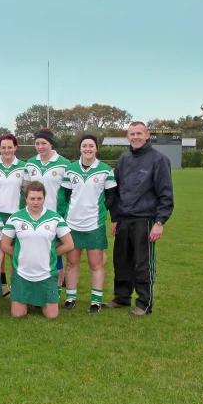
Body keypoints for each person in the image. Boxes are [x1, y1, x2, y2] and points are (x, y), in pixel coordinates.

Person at [104, 122, 174, 316]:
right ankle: (121, 297)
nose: (135, 137)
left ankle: (144, 303)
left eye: (139, 133)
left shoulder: (159, 160)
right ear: (127, 137)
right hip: (124, 219)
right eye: (131, 134)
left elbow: (166, 193)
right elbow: (116, 190)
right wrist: (116, 218)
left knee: (142, 263)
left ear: (147, 135)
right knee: (121, 260)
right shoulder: (124, 159)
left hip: (146, 219)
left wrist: (159, 222)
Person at [61, 134, 118, 313]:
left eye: (91, 146)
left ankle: (96, 301)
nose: (88, 149)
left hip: (94, 224)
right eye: (84, 145)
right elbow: (65, 196)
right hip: (72, 224)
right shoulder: (70, 169)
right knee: (71, 263)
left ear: (96, 148)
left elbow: (112, 196)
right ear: (80, 148)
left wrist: (101, 212)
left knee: (96, 264)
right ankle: (70, 298)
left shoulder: (105, 169)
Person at [1, 182, 74, 319]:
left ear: (44, 198)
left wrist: (51, 254)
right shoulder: (15, 218)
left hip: (46, 273)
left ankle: (38, 301)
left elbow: (69, 244)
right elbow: (5, 245)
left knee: (52, 316)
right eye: (32, 198)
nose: (36, 202)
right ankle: (29, 300)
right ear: (26, 199)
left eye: (39, 198)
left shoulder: (55, 218)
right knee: (17, 315)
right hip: (22, 273)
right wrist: (21, 255)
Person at [24, 128, 69, 287]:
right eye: (37, 143)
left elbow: (68, 193)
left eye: (44, 143)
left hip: (56, 215)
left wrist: (63, 215)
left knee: (55, 251)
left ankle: (56, 288)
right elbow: (25, 190)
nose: (40, 146)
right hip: (34, 214)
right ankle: (37, 284)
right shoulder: (30, 163)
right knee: (37, 248)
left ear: (50, 143)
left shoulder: (64, 163)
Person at [0, 133, 27, 294]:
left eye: (10, 147)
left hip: (16, 216)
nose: (7, 150)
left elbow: (27, 191)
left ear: (15, 147)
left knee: (15, 252)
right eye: (3, 147)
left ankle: (16, 287)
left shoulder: (23, 167)